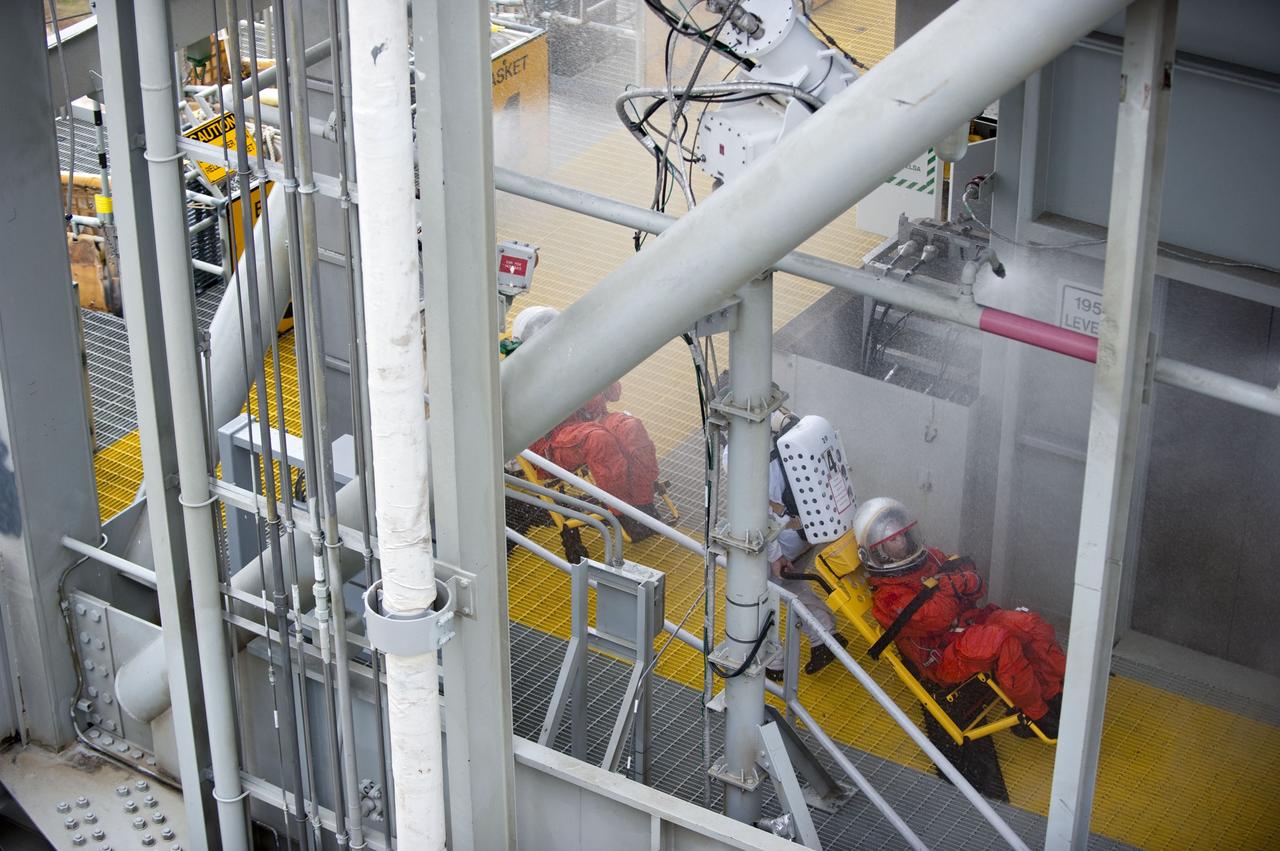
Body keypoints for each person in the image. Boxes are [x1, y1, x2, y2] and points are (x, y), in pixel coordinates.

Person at [852, 497, 1066, 736]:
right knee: (1003, 642)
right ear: (876, 550)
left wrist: (967, 582)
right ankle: (1037, 714)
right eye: (892, 539)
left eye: (902, 534)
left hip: (972, 623)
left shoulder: (930, 557)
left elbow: (974, 583)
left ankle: (1053, 693)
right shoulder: (888, 597)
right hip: (943, 655)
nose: (901, 542)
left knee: (1031, 625)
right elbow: (935, 619)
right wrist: (954, 586)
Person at [509, 306, 662, 541]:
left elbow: (614, 393)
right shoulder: (521, 374)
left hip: (593, 423)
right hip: (554, 441)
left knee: (632, 428)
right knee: (598, 440)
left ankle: (643, 504)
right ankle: (622, 512)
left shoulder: (577, 355)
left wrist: (598, 364)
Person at [725, 407, 849, 680]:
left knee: (756, 596)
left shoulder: (738, 453)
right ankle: (825, 637)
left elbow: (757, 511)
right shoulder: (785, 428)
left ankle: (774, 664)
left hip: (783, 539)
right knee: (793, 586)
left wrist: (775, 555)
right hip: (810, 529)